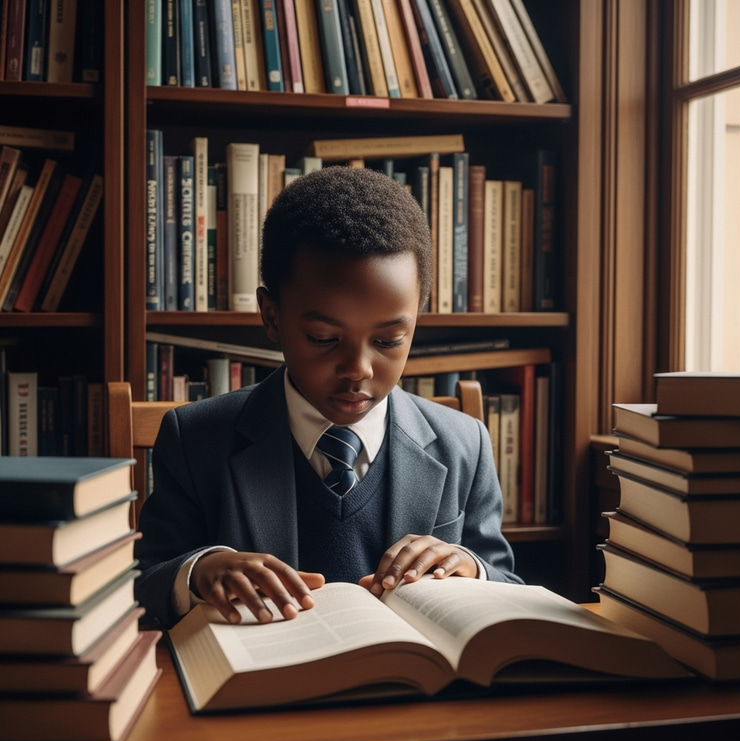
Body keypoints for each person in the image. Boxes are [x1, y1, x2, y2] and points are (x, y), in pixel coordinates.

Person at [134, 165, 523, 629]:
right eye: (322, 338)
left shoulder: (465, 444)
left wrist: (469, 568)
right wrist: (195, 574)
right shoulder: (196, 439)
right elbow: (142, 587)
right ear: (272, 317)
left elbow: (507, 585)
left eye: (388, 341)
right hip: (262, 691)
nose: (358, 369)